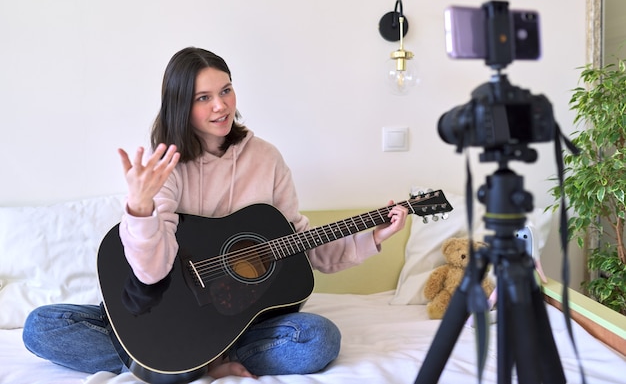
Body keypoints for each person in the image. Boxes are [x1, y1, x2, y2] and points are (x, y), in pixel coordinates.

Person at [22, 47, 408, 379]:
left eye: (225, 90)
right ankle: (184, 361)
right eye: (203, 97)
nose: (221, 105)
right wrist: (140, 209)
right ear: (180, 105)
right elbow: (151, 271)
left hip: (238, 325)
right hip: (165, 313)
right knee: (42, 326)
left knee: (318, 338)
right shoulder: (165, 166)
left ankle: (188, 363)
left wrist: (371, 236)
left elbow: (299, 245)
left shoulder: (267, 158)